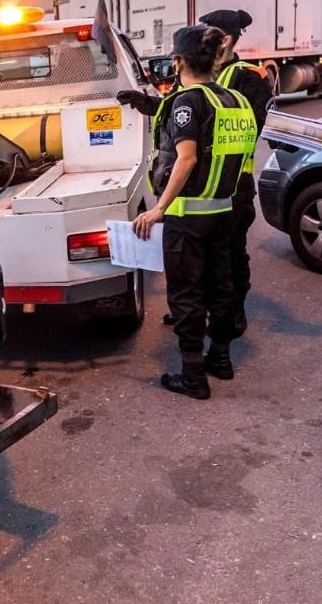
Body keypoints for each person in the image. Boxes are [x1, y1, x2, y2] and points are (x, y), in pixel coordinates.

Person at [132, 25, 257, 400]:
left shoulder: (187, 101)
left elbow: (185, 159)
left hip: (189, 215)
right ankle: (220, 359)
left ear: (178, 61)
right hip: (224, 209)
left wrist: (158, 208)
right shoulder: (235, 101)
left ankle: (192, 375)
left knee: (186, 292)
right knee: (221, 287)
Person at [200, 9, 273, 334]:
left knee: (231, 252)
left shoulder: (250, 76)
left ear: (225, 38)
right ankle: (202, 307)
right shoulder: (197, 72)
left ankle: (234, 310)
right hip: (198, 184)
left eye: (209, 33)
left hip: (234, 183)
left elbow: (253, 128)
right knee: (201, 252)